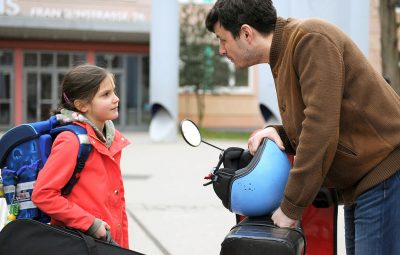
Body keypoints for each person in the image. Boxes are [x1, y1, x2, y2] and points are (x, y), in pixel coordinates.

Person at [206, 1, 400, 254]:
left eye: (223, 40)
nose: (221, 50)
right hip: (363, 182)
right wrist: (280, 133)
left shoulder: (311, 40)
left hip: (384, 174)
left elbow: (320, 128)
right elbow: (318, 117)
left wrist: (291, 206)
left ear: (246, 33)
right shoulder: (284, 53)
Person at [32, 64, 130, 248]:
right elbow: (43, 194)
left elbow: (115, 204)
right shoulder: (71, 141)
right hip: (81, 243)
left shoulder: (110, 139)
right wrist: (90, 224)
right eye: (105, 95)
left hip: (107, 244)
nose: (116, 99)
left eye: (114, 92)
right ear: (81, 105)